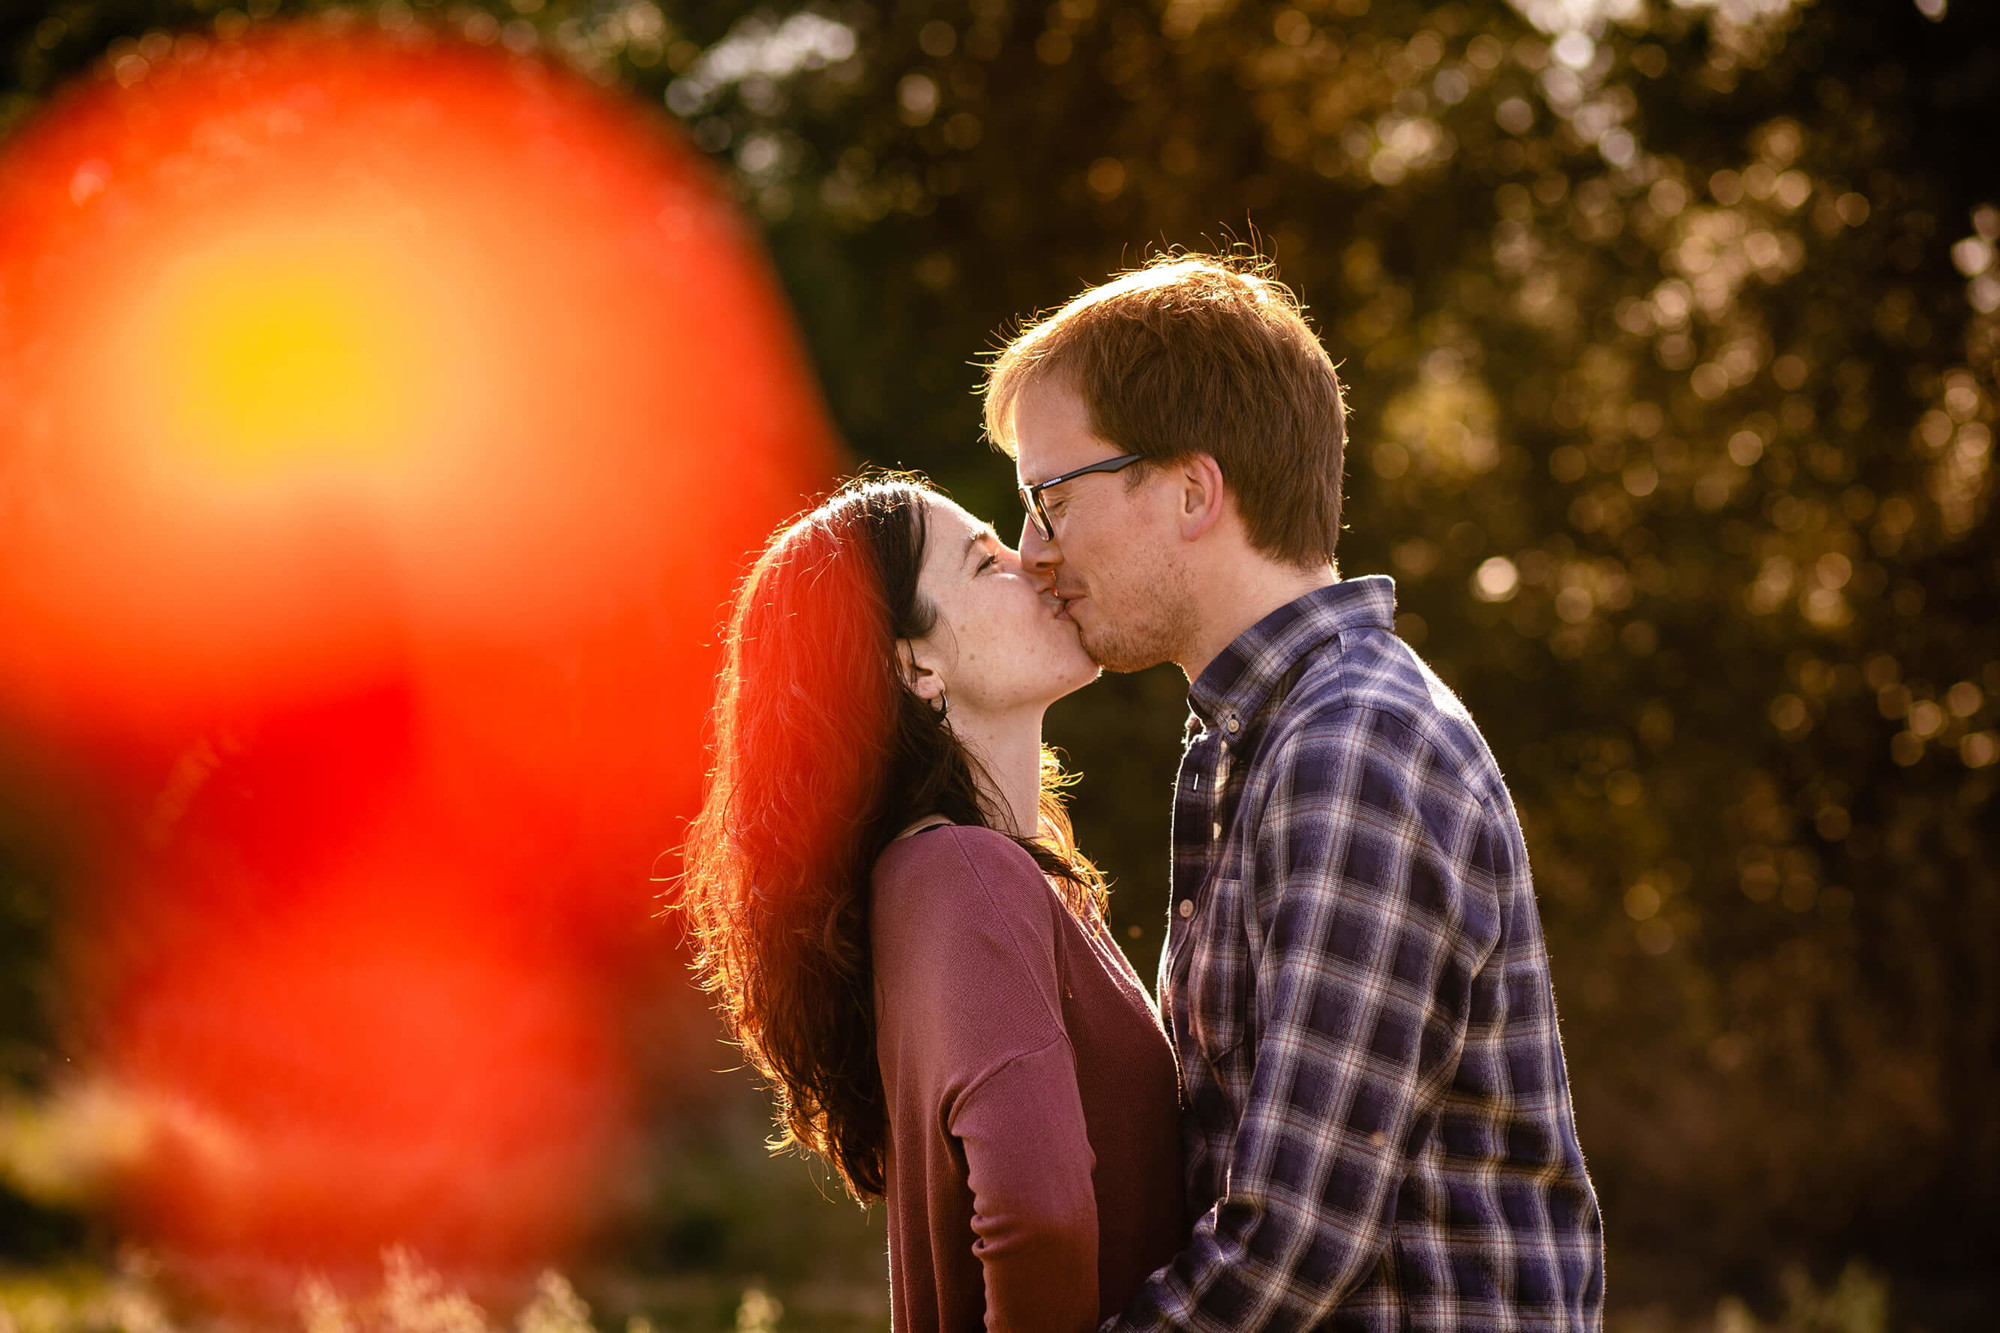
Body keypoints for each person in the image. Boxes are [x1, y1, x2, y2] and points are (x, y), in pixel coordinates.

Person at [984, 255, 1605, 1332]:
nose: (1034, 551)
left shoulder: (1348, 745)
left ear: (1190, 490)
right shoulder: (1253, 742)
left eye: (1050, 498)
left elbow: (1293, 1241)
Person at [677, 476, 1185, 1333]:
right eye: (986, 564)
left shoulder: (969, 878)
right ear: (914, 665)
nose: (1034, 561)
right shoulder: (964, 874)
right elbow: (1039, 1214)